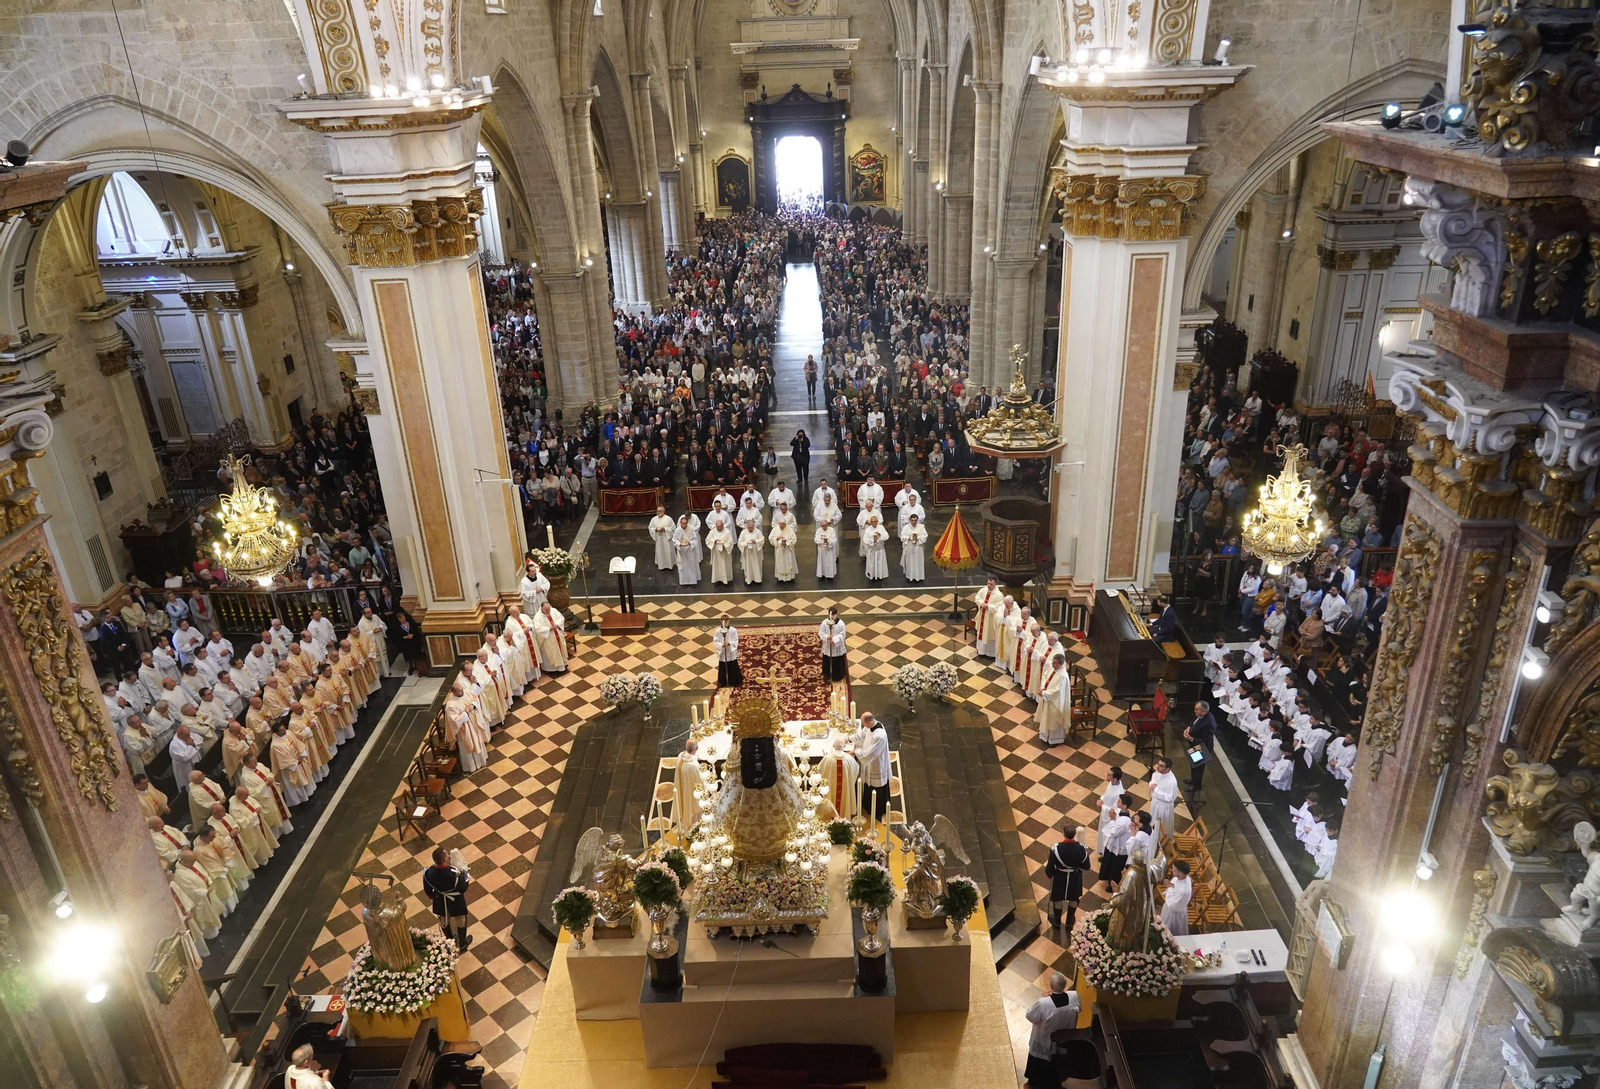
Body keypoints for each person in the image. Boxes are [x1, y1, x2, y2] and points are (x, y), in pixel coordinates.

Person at [1023, 972, 1081, 1089]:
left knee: (1040, 1063)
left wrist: (1043, 998)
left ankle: (1035, 1082)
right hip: (1064, 1039)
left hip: (1045, 1039)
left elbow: (1030, 1016)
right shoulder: (1074, 996)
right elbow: (1078, 1009)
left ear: (1052, 986)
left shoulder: (1044, 1003)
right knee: (1057, 1064)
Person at [422, 846, 471, 950]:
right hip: (456, 901)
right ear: (444, 859)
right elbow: (462, 888)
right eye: (446, 854)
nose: (448, 855)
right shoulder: (454, 873)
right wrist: (467, 879)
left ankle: (449, 943)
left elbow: (428, 890)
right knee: (461, 920)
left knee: (444, 921)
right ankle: (462, 943)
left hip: (439, 900)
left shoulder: (428, 873)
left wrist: (433, 898)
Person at [1043, 824, 1090, 930]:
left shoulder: (1056, 848)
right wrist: (1078, 870)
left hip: (1060, 876)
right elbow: (1086, 866)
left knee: (1058, 899)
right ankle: (1069, 921)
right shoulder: (1082, 849)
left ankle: (1057, 922)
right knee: (1074, 898)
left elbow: (1051, 865)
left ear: (1063, 834)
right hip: (1075, 877)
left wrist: (1049, 874)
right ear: (1074, 835)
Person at [851, 711, 891, 830]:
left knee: (876, 786)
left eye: (863, 723)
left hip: (877, 765)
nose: (863, 726)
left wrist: (855, 752)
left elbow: (869, 754)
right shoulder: (871, 726)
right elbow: (861, 736)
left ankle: (878, 808)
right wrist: (849, 739)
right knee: (868, 785)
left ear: (868, 722)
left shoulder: (879, 735)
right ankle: (868, 804)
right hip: (871, 763)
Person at [444, 682, 489, 773]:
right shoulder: (450, 705)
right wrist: (466, 713)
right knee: (468, 747)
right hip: (464, 729)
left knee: (478, 741)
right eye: (459, 691)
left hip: (474, 723)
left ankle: (482, 760)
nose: (462, 692)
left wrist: (472, 705)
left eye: (462, 689)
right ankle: (471, 767)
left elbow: (474, 698)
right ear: (453, 692)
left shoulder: (466, 693)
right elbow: (454, 720)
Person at [1035, 651, 1071, 746]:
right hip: (1047, 698)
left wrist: (1045, 693)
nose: (1052, 664)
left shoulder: (1063, 676)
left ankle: (1055, 740)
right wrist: (1042, 687)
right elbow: (1045, 676)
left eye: (1055, 663)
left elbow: (1058, 691)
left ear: (1061, 664)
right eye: (1053, 662)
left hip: (1056, 702)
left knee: (1053, 720)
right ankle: (1044, 736)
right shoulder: (1052, 667)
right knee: (1046, 717)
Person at [1098, 798, 1132, 892]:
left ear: (1124, 805)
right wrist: (1102, 806)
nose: (1117, 802)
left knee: (1115, 867)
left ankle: (1113, 885)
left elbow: (1114, 832)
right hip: (1112, 845)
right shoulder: (1119, 811)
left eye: (1120, 801)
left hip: (1119, 848)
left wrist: (1112, 819)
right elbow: (1111, 811)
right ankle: (1105, 876)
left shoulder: (1125, 821)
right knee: (1109, 862)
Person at [1183, 701, 1218, 791]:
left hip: (1202, 748)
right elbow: (1194, 722)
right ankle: (1193, 780)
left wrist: (1190, 738)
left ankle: (1196, 786)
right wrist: (1189, 728)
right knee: (1193, 764)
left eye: (1196, 709)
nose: (1194, 711)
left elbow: (1205, 740)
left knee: (1198, 767)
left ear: (1203, 711)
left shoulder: (1209, 723)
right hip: (1196, 745)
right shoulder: (1201, 716)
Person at [1150, 756, 1180, 845]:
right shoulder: (1159, 771)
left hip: (1163, 806)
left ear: (1167, 769)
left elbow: (1171, 797)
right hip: (1156, 802)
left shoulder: (1172, 782)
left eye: (1161, 766)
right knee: (1153, 820)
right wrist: (1152, 784)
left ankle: (1160, 842)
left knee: (1161, 824)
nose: (1158, 767)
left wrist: (1156, 790)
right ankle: (1152, 838)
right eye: (1158, 764)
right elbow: (1153, 779)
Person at [531, 603, 568, 673]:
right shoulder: (537, 617)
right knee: (551, 652)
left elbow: (561, 618)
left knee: (560, 649)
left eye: (549, 609)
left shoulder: (553, 610)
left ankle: (563, 664)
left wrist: (556, 624)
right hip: (548, 638)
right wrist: (548, 629)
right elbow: (538, 629)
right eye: (546, 609)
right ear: (542, 609)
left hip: (557, 635)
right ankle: (552, 669)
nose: (548, 611)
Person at [1161, 860, 1193, 936]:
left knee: (1169, 933)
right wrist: (1171, 886)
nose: (1171, 870)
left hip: (1173, 914)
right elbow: (1175, 886)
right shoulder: (1183, 878)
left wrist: (1170, 889)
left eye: (1174, 870)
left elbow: (1173, 905)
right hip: (1172, 907)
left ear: (1181, 873)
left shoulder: (1184, 892)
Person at [973, 577, 1002, 657]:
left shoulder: (999, 595)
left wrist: (988, 606)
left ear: (995, 584)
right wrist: (981, 603)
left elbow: (999, 607)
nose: (989, 585)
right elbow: (977, 598)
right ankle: (981, 651)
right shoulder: (983, 590)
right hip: (982, 615)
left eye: (991, 584)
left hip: (991, 619)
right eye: (988, 583)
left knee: (990, 634)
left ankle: (990, 653)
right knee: (981, 633)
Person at [770, 505, 798, 582]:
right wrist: (777, 539)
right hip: (779, 550)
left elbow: (794, 539)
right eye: (780, 524)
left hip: (788, 550)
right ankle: (780, 577)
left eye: (783, 524)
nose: (781, 526)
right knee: (780, 563)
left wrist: (787, 542)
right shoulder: (775, 529)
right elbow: (771, 538)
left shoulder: (789, 529)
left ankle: (789, 576)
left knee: (788, 563)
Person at [819, 607, 848, 682]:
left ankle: (837, 675)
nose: (832, 617)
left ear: (836, 614)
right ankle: (827, 674)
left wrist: (834, 639)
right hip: (828, 645)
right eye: (831, 615)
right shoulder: (825, 622)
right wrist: (827, 637)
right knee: (827, 659)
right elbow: (821, 632)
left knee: (837, 661)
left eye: (833, 615)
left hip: (836, 645)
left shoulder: (841, 623)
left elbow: (842, 635)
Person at [714, 618, 743, 688]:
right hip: (723, 651)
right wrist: (721, 645)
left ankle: (735, 681)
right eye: (724, 622)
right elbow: (716, 641)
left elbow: (736, 640)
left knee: (732, 665)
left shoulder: (733, 630)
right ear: (721, 622)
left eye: (726, 622)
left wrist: (729, 643)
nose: (725, 624)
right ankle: (723, 682)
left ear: (729, 621)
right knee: (723, 666)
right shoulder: (718, 631)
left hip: (730, 651)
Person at [706, 516, 735, 586]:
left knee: (725, 566)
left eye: (720, 526)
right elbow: (707, 540)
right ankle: (717, 579)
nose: (719, 528)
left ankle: (726, 579)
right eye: (718, 526)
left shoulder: (727, 532)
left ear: (723, 525)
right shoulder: (712, 531)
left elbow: (731, 543)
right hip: (716, 554)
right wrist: (714, 540)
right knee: (717, 567)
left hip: (724, 554)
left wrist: (724, 545)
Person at [673, 514, 700, 586]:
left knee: (691, 566)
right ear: (680, 523)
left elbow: (695, 539)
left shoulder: (691, 529)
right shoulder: (677, 530)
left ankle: (692, 581)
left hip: (690, 551)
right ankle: (684, 581)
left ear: (687, 523)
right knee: (683, 567)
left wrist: (690, 543)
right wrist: (679, 544)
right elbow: (674, 540)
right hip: (681, 551)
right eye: (683, 523)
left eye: (685, 523)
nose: (684, 525)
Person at [900, 513, 926, 581]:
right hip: (910, 548)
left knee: (918, 563)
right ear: (910, 520)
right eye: (912, 520)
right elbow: (902, 536)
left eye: (915, 520)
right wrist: (909, 538)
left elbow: (924, 537)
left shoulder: (921, 527)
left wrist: (917, 538)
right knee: (910, 563)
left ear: (917, 520)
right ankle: (910, 576)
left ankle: (919, 576)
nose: (914, 522)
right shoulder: (906, 527)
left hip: (918, 548)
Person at [649, 506, 677, 570]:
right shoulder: (654, 519)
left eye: (659, 511)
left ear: (663, 512)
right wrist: (655, 529)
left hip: (666, 538)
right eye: (657, 511)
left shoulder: (668, 519)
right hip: (659, 538)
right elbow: (650, 528)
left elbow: (673, 528)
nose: (658, 512)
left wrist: (665, 529)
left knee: (668, 551)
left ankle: (669, 565)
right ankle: (661, 565)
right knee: (660, 552)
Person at [862, 515, 889, 580]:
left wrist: (880, 535)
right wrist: (873, 541)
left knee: (880, 563)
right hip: (872, 550)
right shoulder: (868, 530)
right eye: (872, 522)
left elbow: (887, 536)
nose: (874, 523)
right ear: (870, 522)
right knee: (872, 564)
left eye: (875, 521)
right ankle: (872, 575)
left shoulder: (881, 528)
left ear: (877, 521)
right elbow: (865, 540)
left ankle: (880, 575)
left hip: (880, 550)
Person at [738, 519, 765, 583]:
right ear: (747, 526)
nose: (750, 529)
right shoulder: (743, 532)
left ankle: (758, 578)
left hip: (756, 553)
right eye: (749, 527)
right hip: (748, 553)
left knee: (757, 565)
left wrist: (755, 541)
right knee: (748, 566)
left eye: (751, 527)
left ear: (754, 526)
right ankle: (749, 579)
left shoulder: (757, 532)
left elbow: (762, 540)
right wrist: (746, 544)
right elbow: (740, 542)